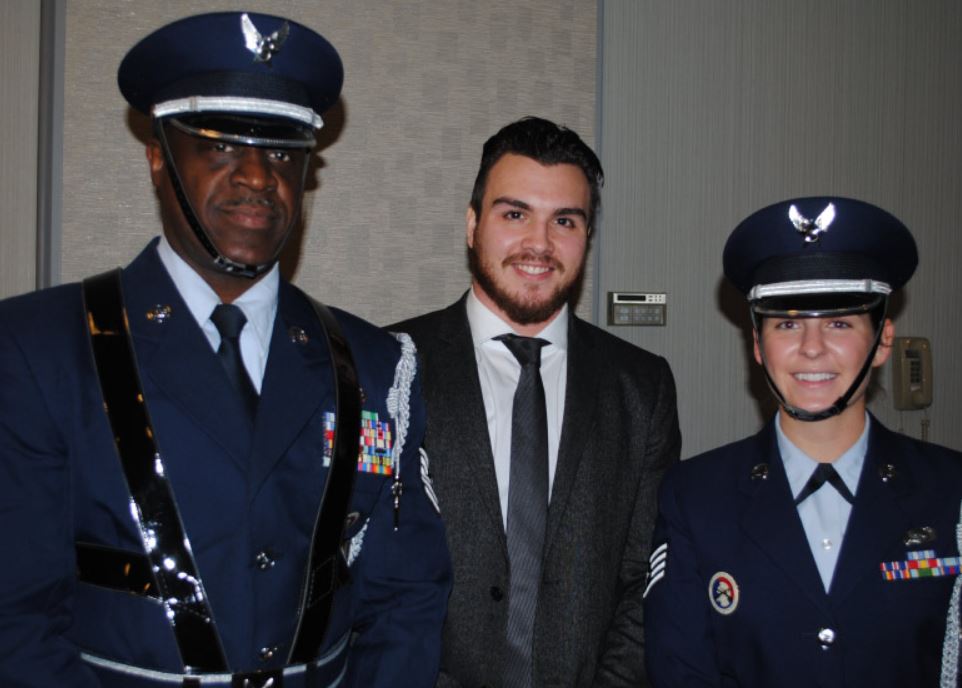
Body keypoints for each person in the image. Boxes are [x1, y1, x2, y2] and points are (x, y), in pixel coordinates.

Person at [0, 11, 450, 688]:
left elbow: (405, 601)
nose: (257, 178)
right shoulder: (41, 349)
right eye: (220, 145)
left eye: (280, 152)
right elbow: (19, 619)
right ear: (158, 156)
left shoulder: (373, 364)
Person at [391, 116, 681, 687]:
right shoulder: (389, 365)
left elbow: (645, 579)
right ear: (473, 224)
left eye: (565, 221)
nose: (539, 245)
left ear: (587, 236)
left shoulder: (641, 387)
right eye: (515, 213)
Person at [643, 196, 962, 687]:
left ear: (882, 341)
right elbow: (680, 672)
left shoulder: (950, 492)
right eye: (787, 323)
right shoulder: (696, 497)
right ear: (755, 344)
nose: (812, 347)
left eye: (840, 322)